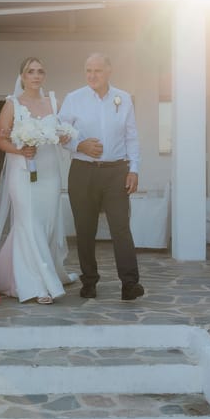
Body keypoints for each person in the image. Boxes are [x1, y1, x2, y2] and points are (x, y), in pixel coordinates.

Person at [0, 57, 77, 304]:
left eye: (40, 71)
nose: (36, 76)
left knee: (46, 223)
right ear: (22, 76)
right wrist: (20, 151)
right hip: (23, 171)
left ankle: (19, 273)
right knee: (28, 223)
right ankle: (38, 285)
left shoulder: (54, 102)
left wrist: (64, 138)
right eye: (30, 71)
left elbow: (60, 133)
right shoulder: (12, 104)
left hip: (49, 171)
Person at [58, 52, 145, 301]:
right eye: (88, 70)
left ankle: (130, 284)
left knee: (121, 229)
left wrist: (134, 169)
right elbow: (60, 132)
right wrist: (79, 145)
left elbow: (132, 137)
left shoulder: (124, 98)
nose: (92, 75)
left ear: (109, 71)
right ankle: (89, 282)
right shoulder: (74, 99)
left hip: (116, 171)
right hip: (83, 172)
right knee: (85, 230)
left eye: (97, 70)